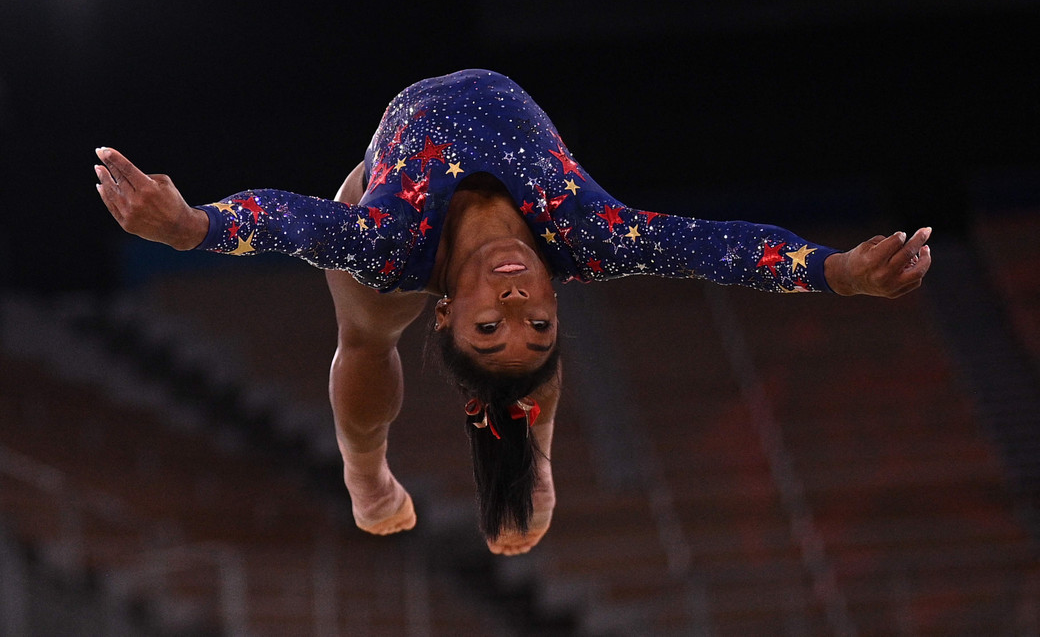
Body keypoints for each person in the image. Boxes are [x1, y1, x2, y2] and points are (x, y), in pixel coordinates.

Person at [94, 69, 932, 555]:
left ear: (447, 311)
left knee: (363, 323)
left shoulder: (391, 245)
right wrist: (835, 272)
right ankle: (424, 463)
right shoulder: (584, 234)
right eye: (536, 319)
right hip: (430, 190)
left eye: (488, 324)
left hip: (381, 196)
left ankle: (386, 466)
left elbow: (291, 220)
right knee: (466, 354)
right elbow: (712, 247)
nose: (517, 299)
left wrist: (192, 224)